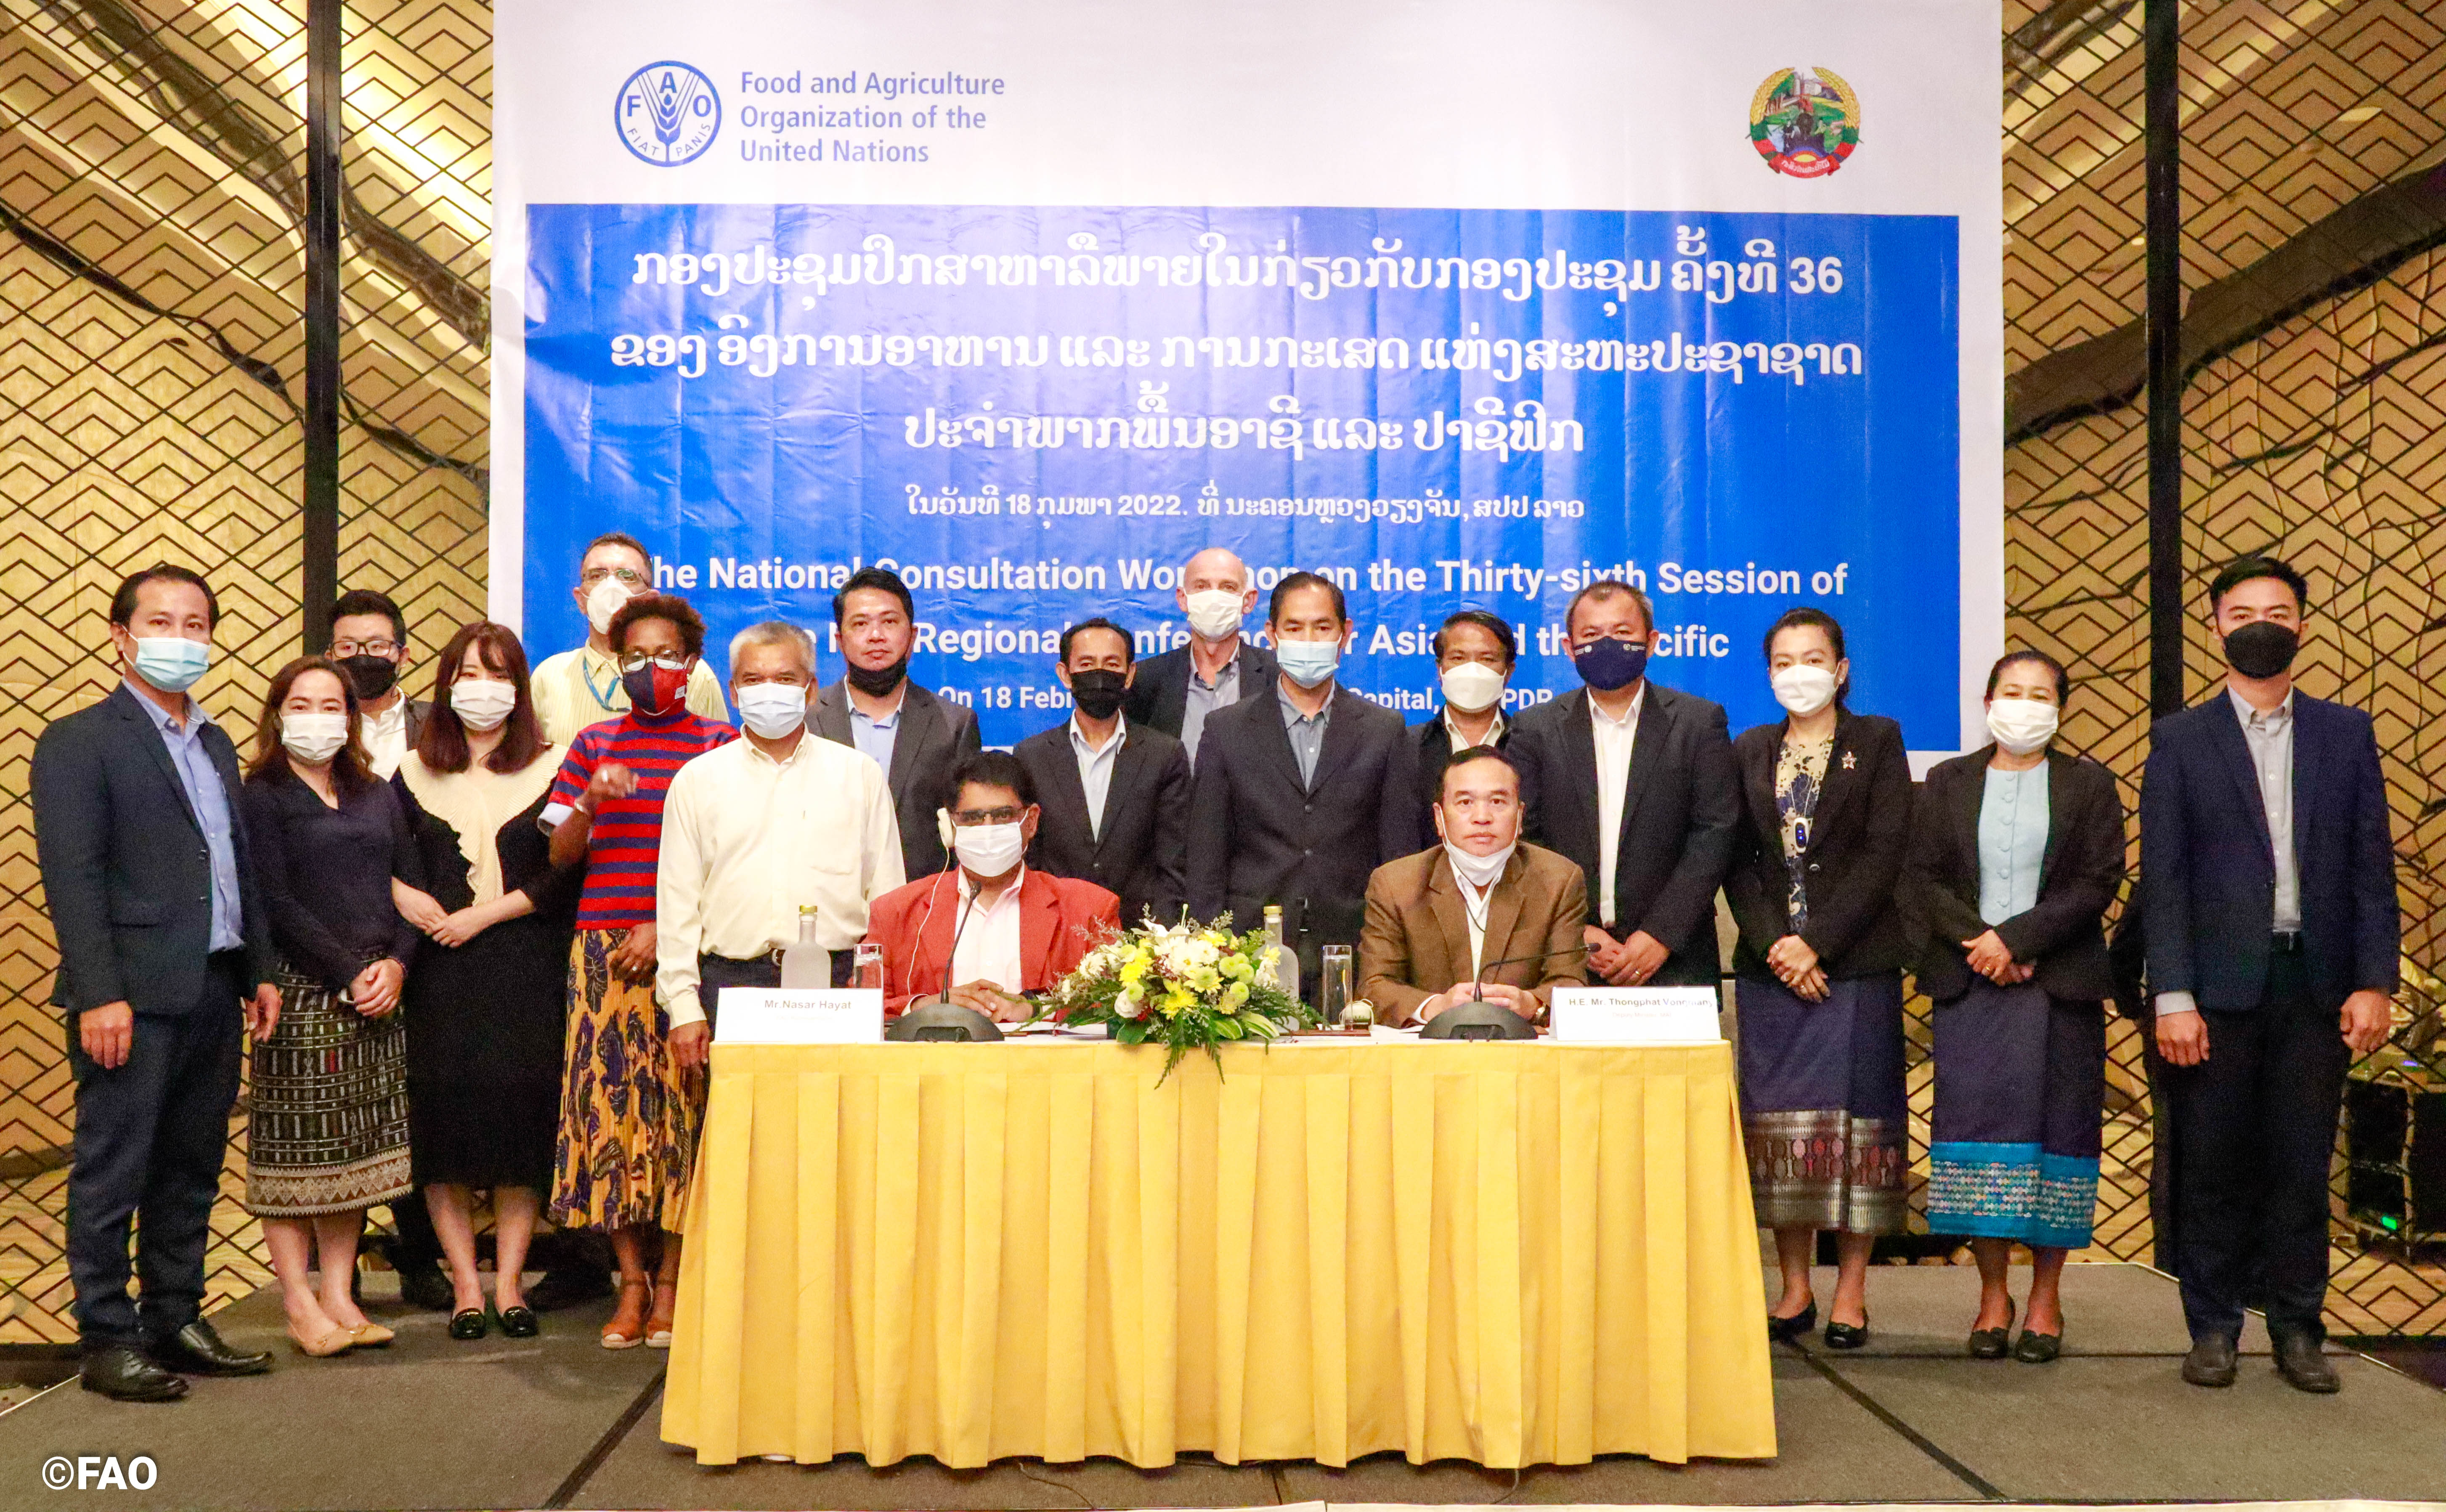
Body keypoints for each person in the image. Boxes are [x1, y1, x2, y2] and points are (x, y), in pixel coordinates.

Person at [2141, 555, 2398, 1394]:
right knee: (2212, 1167)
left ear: (2301, 627)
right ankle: (2213, 1327)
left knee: (2300, 1168)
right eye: (2243, 611)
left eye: (2278, 612)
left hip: (2315, 987)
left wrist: (2375, 981)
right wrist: (2171, 994)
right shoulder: (2179, 739)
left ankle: (2297, 1329)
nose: (2261, 624)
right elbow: (2163, 878)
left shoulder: (2345, 733)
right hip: (2213, 993)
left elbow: (2371, 867)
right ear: (2216, 625)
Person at [31, 565, 281, 1401]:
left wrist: (258, 969)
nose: (181, 637)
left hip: (213, 983)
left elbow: (238, 864)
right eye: (162, 621)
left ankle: (175, 1317)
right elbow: (74, 876)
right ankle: (107, 1337)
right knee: (115, 1169)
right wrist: (100, 991)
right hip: (128, 998)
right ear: (122, 636)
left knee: (191, 1166)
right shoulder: (79, 741)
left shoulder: (215, 741)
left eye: (196, 624)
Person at [1905, 650, 2124, 1364]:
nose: (2023, 705)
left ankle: (2044, 1299)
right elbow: (1920, 877)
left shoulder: (2088, 785)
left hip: (2058, 987)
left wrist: (2019, 939)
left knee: (2059, 1141)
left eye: (2039, 695)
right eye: (2011, 691)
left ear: (2059, 708)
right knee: (1979, 1140)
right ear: (1986, 701)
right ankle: (1993, 1294)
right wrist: (1983, 942)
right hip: (1971, 985)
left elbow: (2097, 880)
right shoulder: (1946, 781)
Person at [543, 593, 735, 1350]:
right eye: (634, 656)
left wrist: (665, 925)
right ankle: (630, 1283)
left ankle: (675, 1282)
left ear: (691, 664)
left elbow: (731, 861)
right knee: (613, 1120)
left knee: (685, 1117)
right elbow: (559, 855)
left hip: (689, 947)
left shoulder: (722, 745)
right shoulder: (593, 743)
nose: (650, 668)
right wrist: (589, 801)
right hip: (602, 954)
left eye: (665, 655)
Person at [1724, 607, 1913, 1351]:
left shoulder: (1877, 740)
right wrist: (1776, 945)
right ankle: (1794, 1285)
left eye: (1811, 658)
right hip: (1771, 971)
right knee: (1782, 1130)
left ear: (1839, 669)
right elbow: (1736, 859)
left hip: (1853, 966)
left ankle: (1852, 1292)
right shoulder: (1747, 747)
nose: (1796, 672)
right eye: (1782, 661)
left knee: (1858, 1131)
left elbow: (1884, 851)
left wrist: (1816, 944)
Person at [391, 623, 582, 1343]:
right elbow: (380, 857)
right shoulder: (409, 772)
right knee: (443, 1127)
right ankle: (465, 1284)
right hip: (438, 971)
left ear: (519, 687)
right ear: (445, 685)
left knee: (518, 1123)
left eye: (498, 674)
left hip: (526, 965)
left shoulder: (557, 765)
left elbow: (565, 873)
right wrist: (406, 896)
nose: (482, 687)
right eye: (468, 673)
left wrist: (485, 916)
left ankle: (509, 1282)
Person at [237, 657, 421, 1357]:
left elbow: (410, 885)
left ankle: (340, 1294)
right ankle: (298, 1300)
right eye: (301, 704)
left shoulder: (375, 790)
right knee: (296, 1154)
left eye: (331, 705)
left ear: (350, 716)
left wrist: (397, 964)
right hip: (302, 989)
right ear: (278, 713)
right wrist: (347, 971)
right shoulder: (262, 793)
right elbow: (273, 899)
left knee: (355, 1154)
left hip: (380, 989)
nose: (317, 718)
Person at [1187, 572, 1422, 998]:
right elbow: (1207, 856)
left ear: (1345, 634)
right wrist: (1211, 953)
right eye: (1294, 628)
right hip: (1249, 952)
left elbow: (1399, 856)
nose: (1309, 640)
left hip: (1356, 949)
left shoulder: (1383, 730)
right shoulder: (1226, 730)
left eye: (1322, 627)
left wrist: (1398, 955)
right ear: (1271, 635)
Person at [659, 619, 903, 1019]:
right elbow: (677, 904)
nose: (769, 691)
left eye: (785, 679)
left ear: (811, 690)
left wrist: (881, 992)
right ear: (734, 693)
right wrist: (683, 1008)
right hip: (731, 983)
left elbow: (888, 896)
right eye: (753, 680)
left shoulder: (858, 774)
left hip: (839, 981)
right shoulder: (697, 780)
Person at [1512, 581, 1740, 990]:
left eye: (1622, 632)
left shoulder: (1698, 723)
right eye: (1591, 634)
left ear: (1651, 642)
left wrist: (1661, 935)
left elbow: (1715, 833)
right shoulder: (1535, 729)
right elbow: (1525, 836)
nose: (1607, 644)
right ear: (1569, 648)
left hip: (1675, 962)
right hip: (1566, 961)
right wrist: (1574, 930)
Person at [863, 752, 1121, 1017]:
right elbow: (860, 1010)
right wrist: (923, 1007)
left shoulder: (1090, 910)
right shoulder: (894, 913)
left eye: (1003, 815)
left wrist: (1036, 1009)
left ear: (1031, 821)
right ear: (950, 827)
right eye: (972, 817)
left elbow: (1119, 1006)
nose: (988, 829)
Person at [1359, 747, 1590, 1025]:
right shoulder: (1395, 884)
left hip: (1521, 1047)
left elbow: (1571, 983)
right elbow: (1374, 987)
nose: (1482, 817)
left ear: (1520, 817)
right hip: (1429, 1048)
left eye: (1497, 802)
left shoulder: (1559, 880)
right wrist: (1437, 1006)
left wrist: (1532, 1004)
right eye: (1466, 802)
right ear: (1439, 818)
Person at [1011, 617, 1191, 929]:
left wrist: (1158, 941)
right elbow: (1029, 859)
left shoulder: (1165, 754)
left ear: (1129, 674)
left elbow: (1173, 864)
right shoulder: (1032, 756)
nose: (1099, 674)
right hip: (1056, 933)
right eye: (1086, 664)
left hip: (1140, 939)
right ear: (1065, 675)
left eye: (1111, 664)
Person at [812, 567, 981, 881]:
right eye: (860, 624)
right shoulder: (807, 718)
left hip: (922, 900)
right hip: (824, 897)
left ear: (912, 636)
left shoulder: (955, 724)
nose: (876, 636)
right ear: (840, 640)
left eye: (889, 622)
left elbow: (970, 833)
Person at [529, 532, 728, 747]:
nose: (610, 586)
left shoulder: (691, 674)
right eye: (596, 575)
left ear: (649, 599)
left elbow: (720, 760)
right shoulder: (548, 676)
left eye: (627, 575)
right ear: (580, 600)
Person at [1122, 546, 1279, 765]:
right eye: (1202, 586)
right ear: (1183, 599)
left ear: (1249, 601)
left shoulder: (1278, 676)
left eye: (1228, 587)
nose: (1214, 597)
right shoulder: (1146, 680)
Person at [1410, 609, 1517, 832]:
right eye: (1458, 658)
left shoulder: (1530, 743)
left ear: (1508, 672)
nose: (1472, 670)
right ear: (1440, 669)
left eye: (1487, 659)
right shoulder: (1408, 746)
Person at [329, 589, 427, 780]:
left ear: (403, 657)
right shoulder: (317, 726)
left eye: (377, 646)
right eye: (347, 647)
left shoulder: (436, 724)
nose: (362, 656)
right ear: (329, 658)